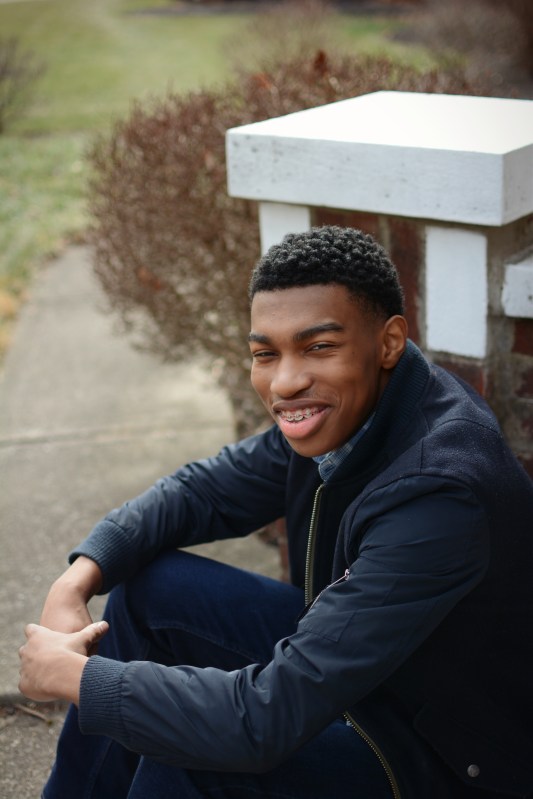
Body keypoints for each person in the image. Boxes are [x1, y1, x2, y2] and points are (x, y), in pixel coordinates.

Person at [19, 226, 533, 799]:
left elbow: (261, 721)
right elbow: (200, 493)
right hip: (371, 671)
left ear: (389, 341)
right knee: (150, 595)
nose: (285, 382)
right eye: (266, 353)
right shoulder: (355, 411)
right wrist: (77, 578)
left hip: (443, 756)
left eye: (319, 347)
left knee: (191, 761)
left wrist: (80, 679)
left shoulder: (438, 495)